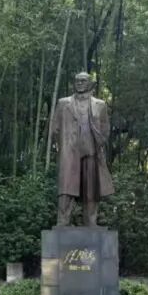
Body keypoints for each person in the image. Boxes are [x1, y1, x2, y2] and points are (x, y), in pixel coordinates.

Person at [49, 71, 115, 226]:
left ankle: (91, 222)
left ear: (90, 83)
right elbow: (55, 128)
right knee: (66, 189)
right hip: (69, 151)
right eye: (77, 81)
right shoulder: (63, 103)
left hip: (91, 151)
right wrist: (62, 146)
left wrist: (98, 143)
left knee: (91, 189)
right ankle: (62, 221)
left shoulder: (100, 105)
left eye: (83, 81)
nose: (79, 83)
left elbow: (105, 129)